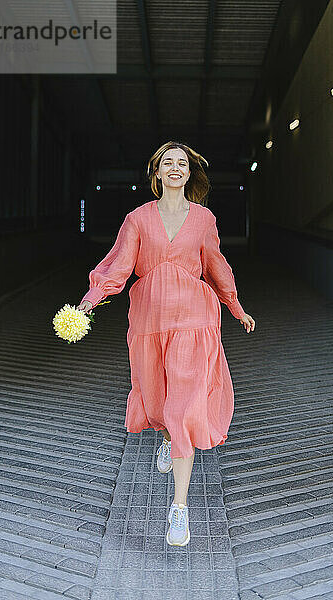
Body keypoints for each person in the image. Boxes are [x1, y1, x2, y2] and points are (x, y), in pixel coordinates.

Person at [77, 141, 255, 547]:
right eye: (167, 163)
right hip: (149, 323)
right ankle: (168, 436)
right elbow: (119, 265)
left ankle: (179, 509)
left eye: (182, 163)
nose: (176, 168)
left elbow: (216, 267)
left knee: (185, 408)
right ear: (156, 173)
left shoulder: (204, 220)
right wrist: (91, 299)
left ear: (190, 173)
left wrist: (235, 306)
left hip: (195, 321)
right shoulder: (137, 220)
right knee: (157, 403)